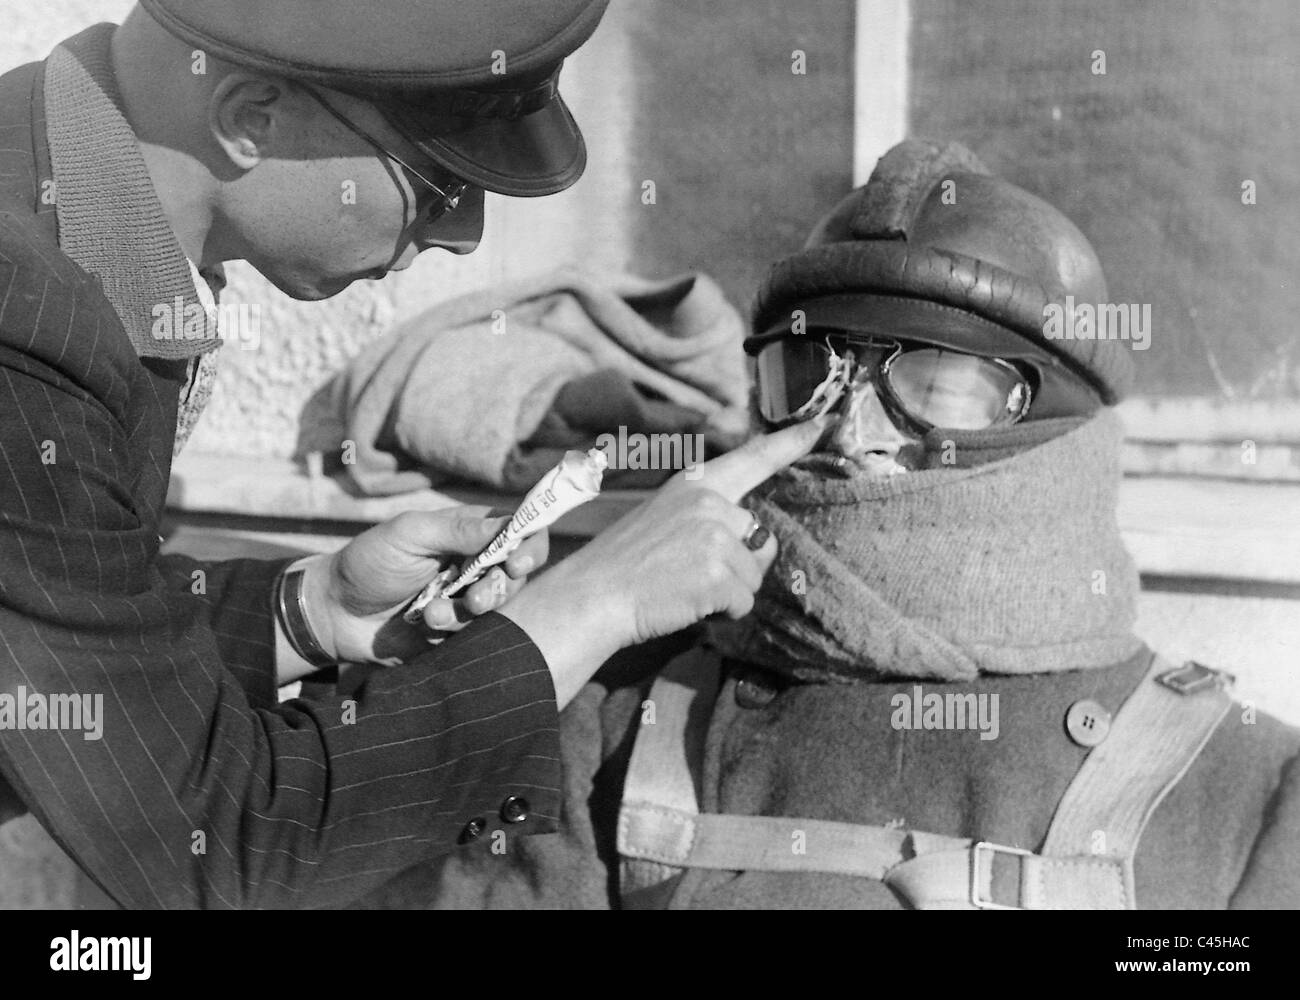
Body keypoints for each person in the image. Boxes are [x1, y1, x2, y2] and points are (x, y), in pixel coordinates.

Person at [0, 0, 824, 909]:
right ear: (248, 119)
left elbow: (63, 626)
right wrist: (598, 600)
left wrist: (310, 610)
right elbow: (219, 841)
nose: (460, 233)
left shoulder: (55, 197)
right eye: (436, 182)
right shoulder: (25, 324)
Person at [409, 139, 1300, 910]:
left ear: (1052, 420)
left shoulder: (1247, 793)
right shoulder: (610, 724)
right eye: (810, 373)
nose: (848, 432)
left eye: (935, 380)